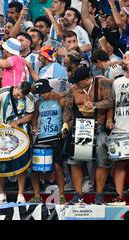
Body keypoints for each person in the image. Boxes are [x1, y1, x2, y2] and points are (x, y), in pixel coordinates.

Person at [63, 66, 114, 204]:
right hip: (81, 127)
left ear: (86, 79)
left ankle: (99, 194)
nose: (75, 84)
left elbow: (110, 101)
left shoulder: (101, 84)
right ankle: (78, 194)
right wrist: (65, 124)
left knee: (101, 159)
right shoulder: (73, 89)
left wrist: (94, 105)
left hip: (99, 126)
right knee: (75, 161)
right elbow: (68, 109)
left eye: (78, 81)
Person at [0, 81, 35, 204]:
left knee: (20, 164)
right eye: (17, 95)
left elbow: (30, 115)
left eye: (21, 97)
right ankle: (1, 194)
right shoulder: (3, 92)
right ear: (16, 87)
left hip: (21, 134)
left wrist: (18, 122)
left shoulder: (29, 97)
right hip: (2, 132)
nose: (19, 98)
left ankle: (20, 194)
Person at [30, 79, 67, 204]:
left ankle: (61, 195)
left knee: (57, 166)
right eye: (41, 93)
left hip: (56, 137)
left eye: (45, 92)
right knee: (35, 168)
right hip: (42, 138)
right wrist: (34, 127)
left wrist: (65, 127)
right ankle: (36, 195)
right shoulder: (38, 102)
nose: (43, 95)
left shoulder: (59, 100)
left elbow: (66, 113)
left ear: (49, 89)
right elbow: (34, 118)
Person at [107, 55, 129, 205]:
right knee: (119, 164)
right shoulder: (117, 82)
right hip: (120, 127)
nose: (125, 60)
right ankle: (119, 197)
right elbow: (112, 103)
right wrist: (109, 119)